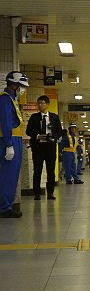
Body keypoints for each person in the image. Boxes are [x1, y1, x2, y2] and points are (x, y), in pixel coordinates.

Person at [0, 71, 29, 217]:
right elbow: (5, 123)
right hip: (9, 140)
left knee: (12, 174)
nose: (23, 89)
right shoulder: (5, 100)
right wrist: (9, 144)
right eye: (21, 86)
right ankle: (4, 208)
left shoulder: (11, 100)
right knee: (8, 175)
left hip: (14, 139)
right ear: (14, 85)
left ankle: (7, 205)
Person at [26, 95, 62, 200]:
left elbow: (59, 132)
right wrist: (37, 136)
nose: (40, 105)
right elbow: (28, 131)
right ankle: (37, 193)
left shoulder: (54, 117)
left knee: (50, 170)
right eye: (39, 103)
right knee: (37, 170)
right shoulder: (34, 117)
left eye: (42, 103)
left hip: (50, 147)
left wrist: (54, 138)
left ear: (47, 104)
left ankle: (50, 192)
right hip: (38, 147)